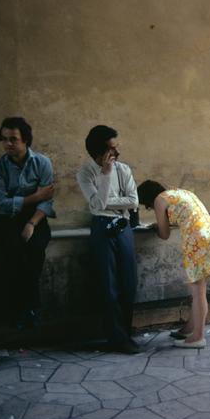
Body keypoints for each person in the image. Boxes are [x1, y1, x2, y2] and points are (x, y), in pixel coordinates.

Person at [137, 180, 210, 349]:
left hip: (197, 240)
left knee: (198, 292)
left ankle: (198, 337)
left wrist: (157, 226)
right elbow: (185, 215)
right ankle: (189, 329)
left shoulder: (159, 200)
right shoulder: (181, 193)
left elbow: (164, 234)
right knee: (200, 290)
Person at [76, 125, 141, 354]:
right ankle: (117, 338)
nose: (117, 152)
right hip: (102, 228)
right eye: (112, 149)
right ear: (99, 152)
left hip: (122, 226)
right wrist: (104, 175)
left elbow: (133, 200)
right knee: (108, 285)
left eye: (116, 147)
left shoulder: (123, 170)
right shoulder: (86, 173)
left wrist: (109, 200)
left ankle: (126, 332)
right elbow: (96, 206)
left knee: (129, 282)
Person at [0, 117, 55, 330]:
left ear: (25, 140)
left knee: (35, 254)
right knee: (14, 258)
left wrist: (31, 223)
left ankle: (31, 310)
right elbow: (3, 204)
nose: (8, 144)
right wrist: (34, 196)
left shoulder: (42, 163)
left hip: (36, 218)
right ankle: (18, 312)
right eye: (5, 139)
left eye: (14, 139)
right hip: (7, 221)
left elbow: (47, 202)